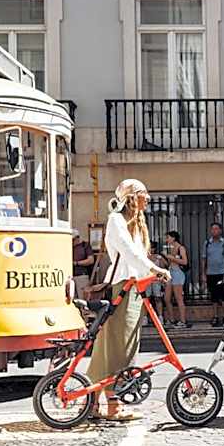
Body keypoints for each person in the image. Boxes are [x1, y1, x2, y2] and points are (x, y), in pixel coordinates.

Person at [87, 179, 170, 421]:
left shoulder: (135, 223)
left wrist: (150, 274)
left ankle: (94, 400)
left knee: (118, 344)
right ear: (132, 197)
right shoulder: (116, 220)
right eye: (144, 194)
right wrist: (155, 269)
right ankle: (112, 404)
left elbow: (137, 257)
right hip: (123, 286)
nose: (149, 198)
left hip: (133, 286)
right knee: (118, 345)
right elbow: (129, 253)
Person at [202, 222, 224, 326]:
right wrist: (203, 273)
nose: (214, 231)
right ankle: (215, 316)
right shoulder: (207, 243)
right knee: (214, 296)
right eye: (212, 229)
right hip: (211, 273)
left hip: (223, 272)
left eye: (216, 229)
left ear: (220, 230)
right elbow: (204, 259)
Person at [163, 231, 189, 328]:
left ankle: (183, 321)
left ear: (173, 238)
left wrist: (172, 258)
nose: (166, 240)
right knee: (167, 298)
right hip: (170, 273)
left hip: (178, 273)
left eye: (168, 237)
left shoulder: (180, 248)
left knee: (179, 298)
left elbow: (185, 262)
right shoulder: (169, 248)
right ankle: (171, 319)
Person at [144, 242, 167, 326]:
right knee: (147, 299)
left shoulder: (158, 257)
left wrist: (161, 259)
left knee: (158, 298)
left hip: (157, 280)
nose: (152, 249)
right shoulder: (144, 257)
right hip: (147, 280)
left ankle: (160, 317)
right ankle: (145, 317)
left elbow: (165, 266)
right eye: (150, 248)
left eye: (153, 248)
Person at [71, 228, 95, 299]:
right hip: (70, 277)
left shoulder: (85, 245)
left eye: (73, 240)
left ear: (77, 238)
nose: (72, 242)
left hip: (82, 276)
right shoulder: (68, 246)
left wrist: (76, 263)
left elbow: (91, 260)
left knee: (83, 299)